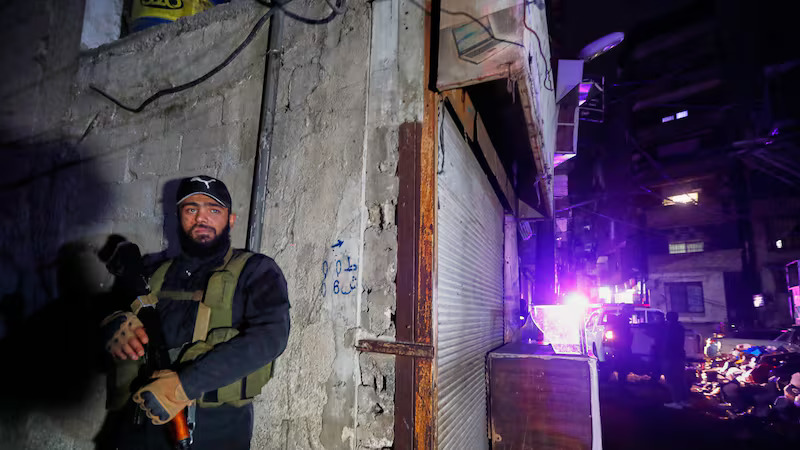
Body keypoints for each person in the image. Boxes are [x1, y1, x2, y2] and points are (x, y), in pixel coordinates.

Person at [99, 175, 290, 449]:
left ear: (231, 219)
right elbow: (98, 325)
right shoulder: (151, 272)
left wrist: (184, 385)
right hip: (140, 419)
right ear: (179, 217)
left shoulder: (256, 270)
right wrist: (110, 325)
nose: (202, 218)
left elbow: (271, 337)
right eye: (191, 209)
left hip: (215, 427)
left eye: (214, 210)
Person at [662, 311, 688, 409]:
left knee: (672, 379)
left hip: (672, 357)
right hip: (680, 356)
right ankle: (684, 401)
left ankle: (676, 401)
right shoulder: (680, 327)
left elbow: (668, 343)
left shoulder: (670, 328)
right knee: (680, 379)